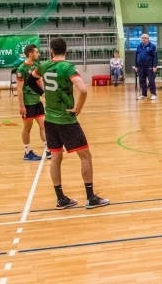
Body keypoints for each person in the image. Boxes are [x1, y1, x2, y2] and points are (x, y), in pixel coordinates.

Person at [31, 37, 109, 210]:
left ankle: (61, 199)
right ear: (66, 50)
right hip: (66, 120)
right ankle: (90, 198)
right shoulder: (67, 68)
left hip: (49, 119)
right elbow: (83, 89)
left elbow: (31, 79)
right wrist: (77, 108)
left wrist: (42, 94)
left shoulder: (43, 66)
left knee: (56, 158)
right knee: (85, 156)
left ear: (51, 51)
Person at [16, 44, 49, 161]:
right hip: (27, 102)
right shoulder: (22, 69)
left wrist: (45, 95)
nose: (38, 54)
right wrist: (21, 106)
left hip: (37, 101)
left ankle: (48, 149)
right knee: (27, 128)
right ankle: (27, 151)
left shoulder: (36, 65)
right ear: (30, 54)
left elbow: (39, 81)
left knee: (43, 125)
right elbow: (19, 89)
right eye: (36, 52)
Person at [135, 33, 158, 100]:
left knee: (151, 80)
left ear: (148, 39)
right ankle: (143, 94)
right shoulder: (139, 46)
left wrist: (154, 66)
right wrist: (136, 66)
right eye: (142, 38)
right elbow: (136, 56)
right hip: (141, 66)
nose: (143, 39)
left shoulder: (152, 46)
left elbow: (155, 57)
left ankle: (153, 94)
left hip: (149, 66)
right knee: (142, 80)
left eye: (145, 38)